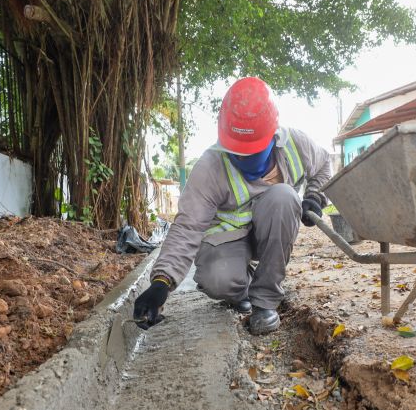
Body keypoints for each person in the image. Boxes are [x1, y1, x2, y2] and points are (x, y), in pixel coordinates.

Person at [133, 77, 331, 334]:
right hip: (228, 242)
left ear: (273, 136)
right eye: (236, 151)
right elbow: (187, 227)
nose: (242, 157)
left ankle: (265, 302)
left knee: (284, 197)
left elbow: (325, 166)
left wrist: (314, 196)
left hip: (270, 234)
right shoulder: (210, 167)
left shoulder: (296, 144)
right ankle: (242, 287)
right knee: (218, 280)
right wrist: (161, 282)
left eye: (251, 151)